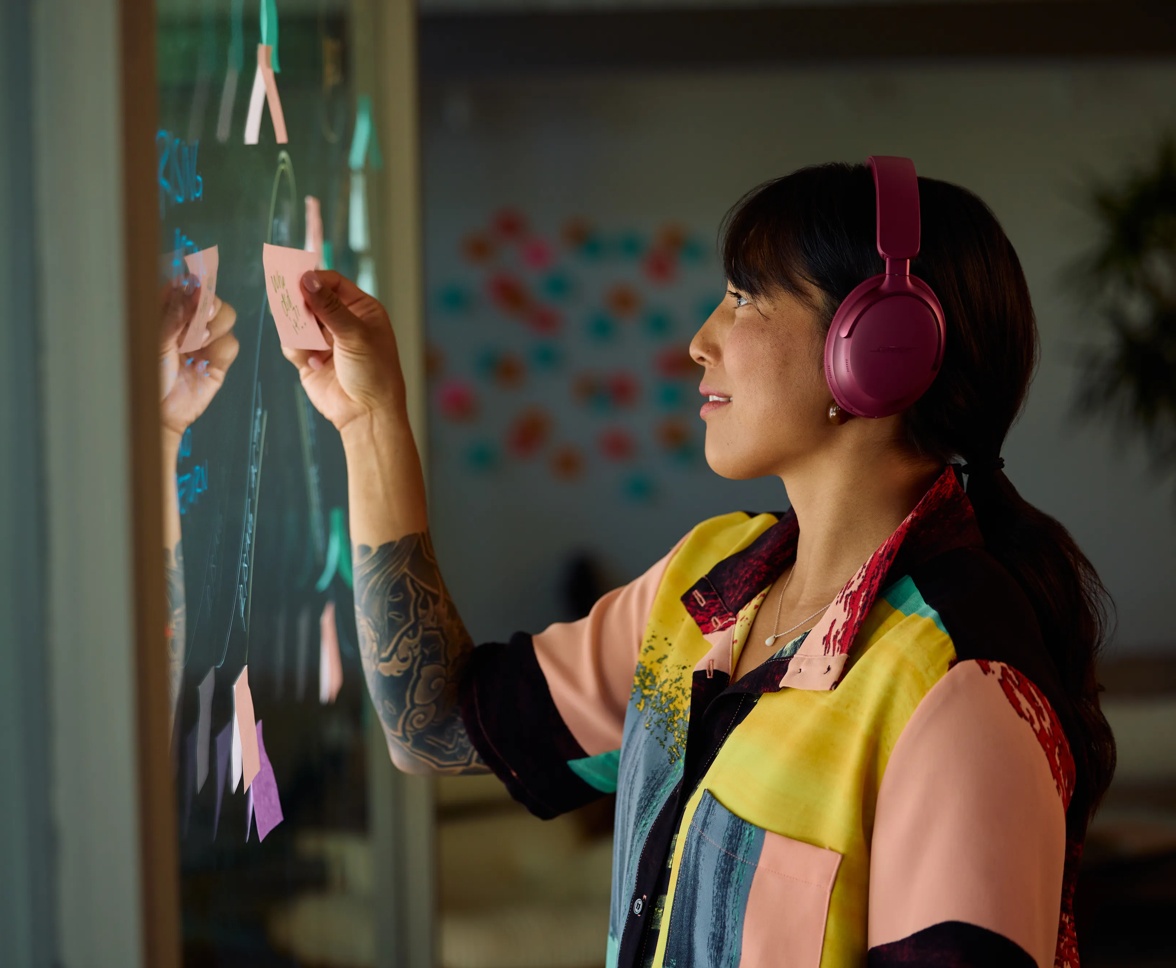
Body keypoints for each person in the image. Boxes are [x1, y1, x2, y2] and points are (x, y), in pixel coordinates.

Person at [283, 158, 1115, 968]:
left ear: (880, 345)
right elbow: (430, 725)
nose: (698, 341)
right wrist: (370, 421)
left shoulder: (960, 684)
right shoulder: (706, 586)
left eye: (743, 299)